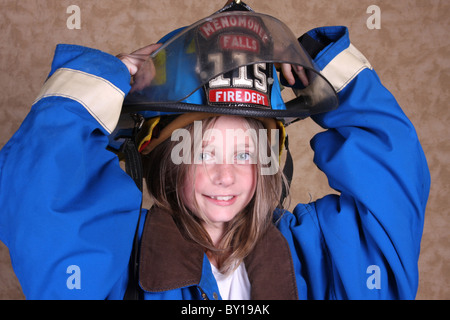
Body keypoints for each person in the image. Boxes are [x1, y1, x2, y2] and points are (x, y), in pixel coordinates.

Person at [0, 0, 430, 300]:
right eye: (202, 151)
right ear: (167, 156)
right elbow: (35, 199)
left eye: (245, 153)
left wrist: (323, 68)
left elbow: (395, 184)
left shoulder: (317, 254)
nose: (226, 176)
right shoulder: (117, 260)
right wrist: (102, 84)